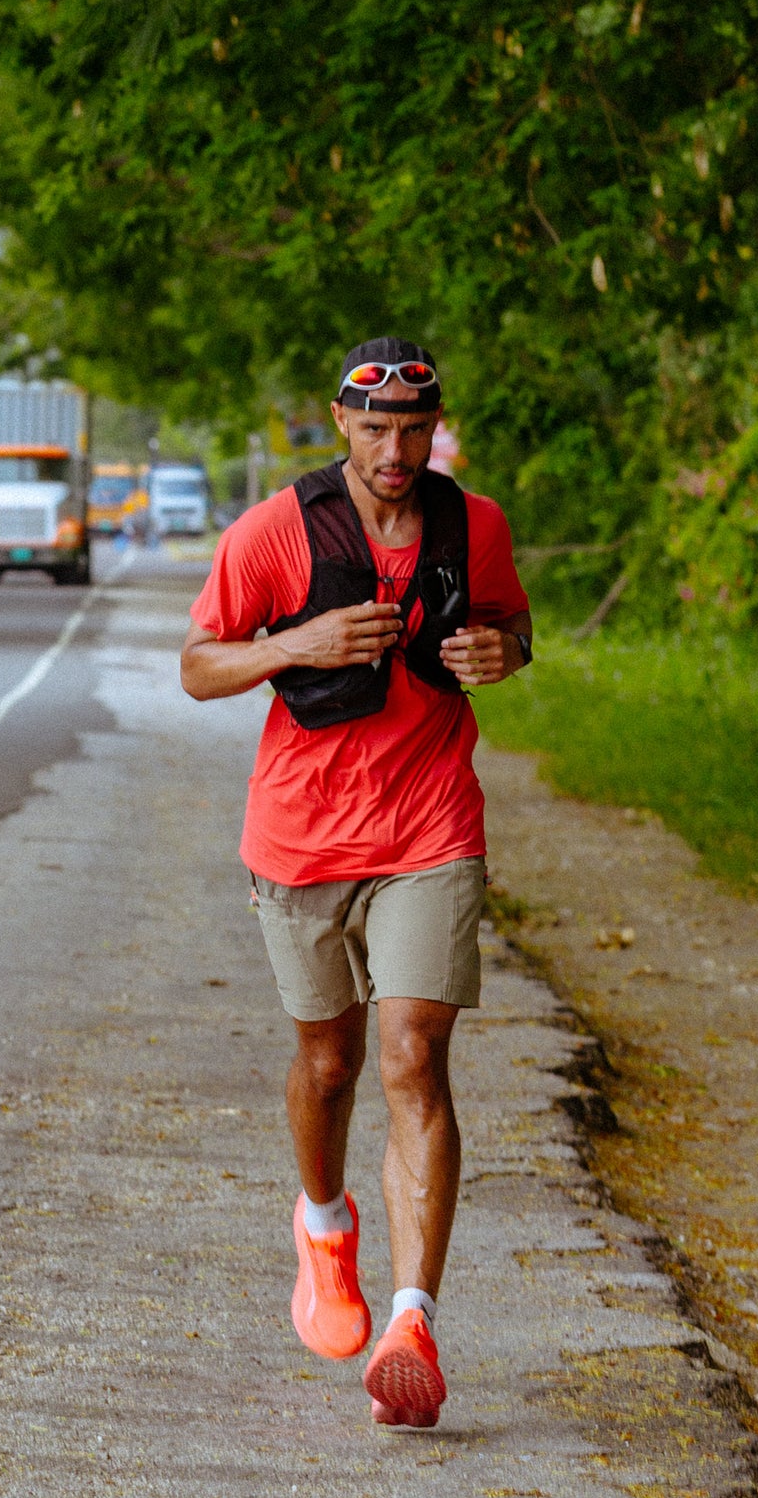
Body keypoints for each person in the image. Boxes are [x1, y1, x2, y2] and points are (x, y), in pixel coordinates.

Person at [178, 338, 533, 1428]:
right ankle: (323, 1224)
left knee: (413, 1053)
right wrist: (296, 642)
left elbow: (512, 626)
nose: (394, 449)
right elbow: (198, 664)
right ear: (338, 423)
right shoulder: (277, 531)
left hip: (429, 822)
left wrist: (500, 656)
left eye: (413, 430)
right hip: (300, 839)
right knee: (326, 1062)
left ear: (436, 429)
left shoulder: (470, 525)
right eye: (374, 429)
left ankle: (410, 1319)